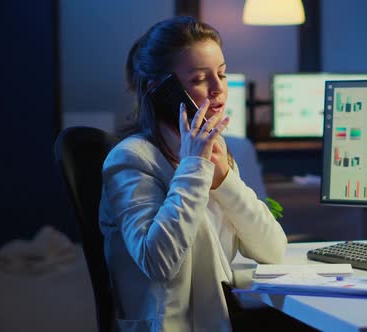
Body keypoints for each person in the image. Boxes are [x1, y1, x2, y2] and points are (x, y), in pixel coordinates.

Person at [98, 16, 288, 331]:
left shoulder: (216, 152)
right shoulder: (130, 159)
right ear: (162, 90)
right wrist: (194, 168)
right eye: (200, 79)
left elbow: (272, 249)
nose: (218, 89)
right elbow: (158, 262)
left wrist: (225, 180)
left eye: (222, 74)